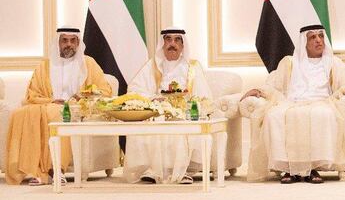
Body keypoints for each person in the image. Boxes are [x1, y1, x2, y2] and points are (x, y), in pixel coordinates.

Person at [243, 25, 345, 183]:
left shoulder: (333, 62)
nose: (318, 40)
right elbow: (274, 85)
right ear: (304, 43)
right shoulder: (289, 63)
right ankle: (288, 169)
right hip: (292, 101)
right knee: (274, 115)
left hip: (322, 101)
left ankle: (312, 169)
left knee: (320, 114)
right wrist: (259, 90)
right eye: (312, 37)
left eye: (320, 36)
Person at [4, 27, 112, 185]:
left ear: (78, 43)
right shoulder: (45, 66)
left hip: (76, 107)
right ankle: (37, 170)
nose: (69, 44)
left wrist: (79, 97)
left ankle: (56, 170)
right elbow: (32, 94)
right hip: (49, 104)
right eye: (64, 40)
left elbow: (104, 90)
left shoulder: (88, 63)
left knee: (60, 114)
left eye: (73, 40)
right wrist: (51, 101)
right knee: (20, 114)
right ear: (58, 42)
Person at [124, 27, 213, 184]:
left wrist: (190, 105)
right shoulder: (152, 65)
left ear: (183, 44)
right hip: (157, 112)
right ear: (162, 43)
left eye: (177, 39)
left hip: (184, 112)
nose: (172, 44)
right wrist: (153, 99)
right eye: (168, 39)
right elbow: (134, 90)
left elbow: (204, 96)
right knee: (157, 122)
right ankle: (154, 170)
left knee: (179, 124)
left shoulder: (192, 67)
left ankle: (181, 171)